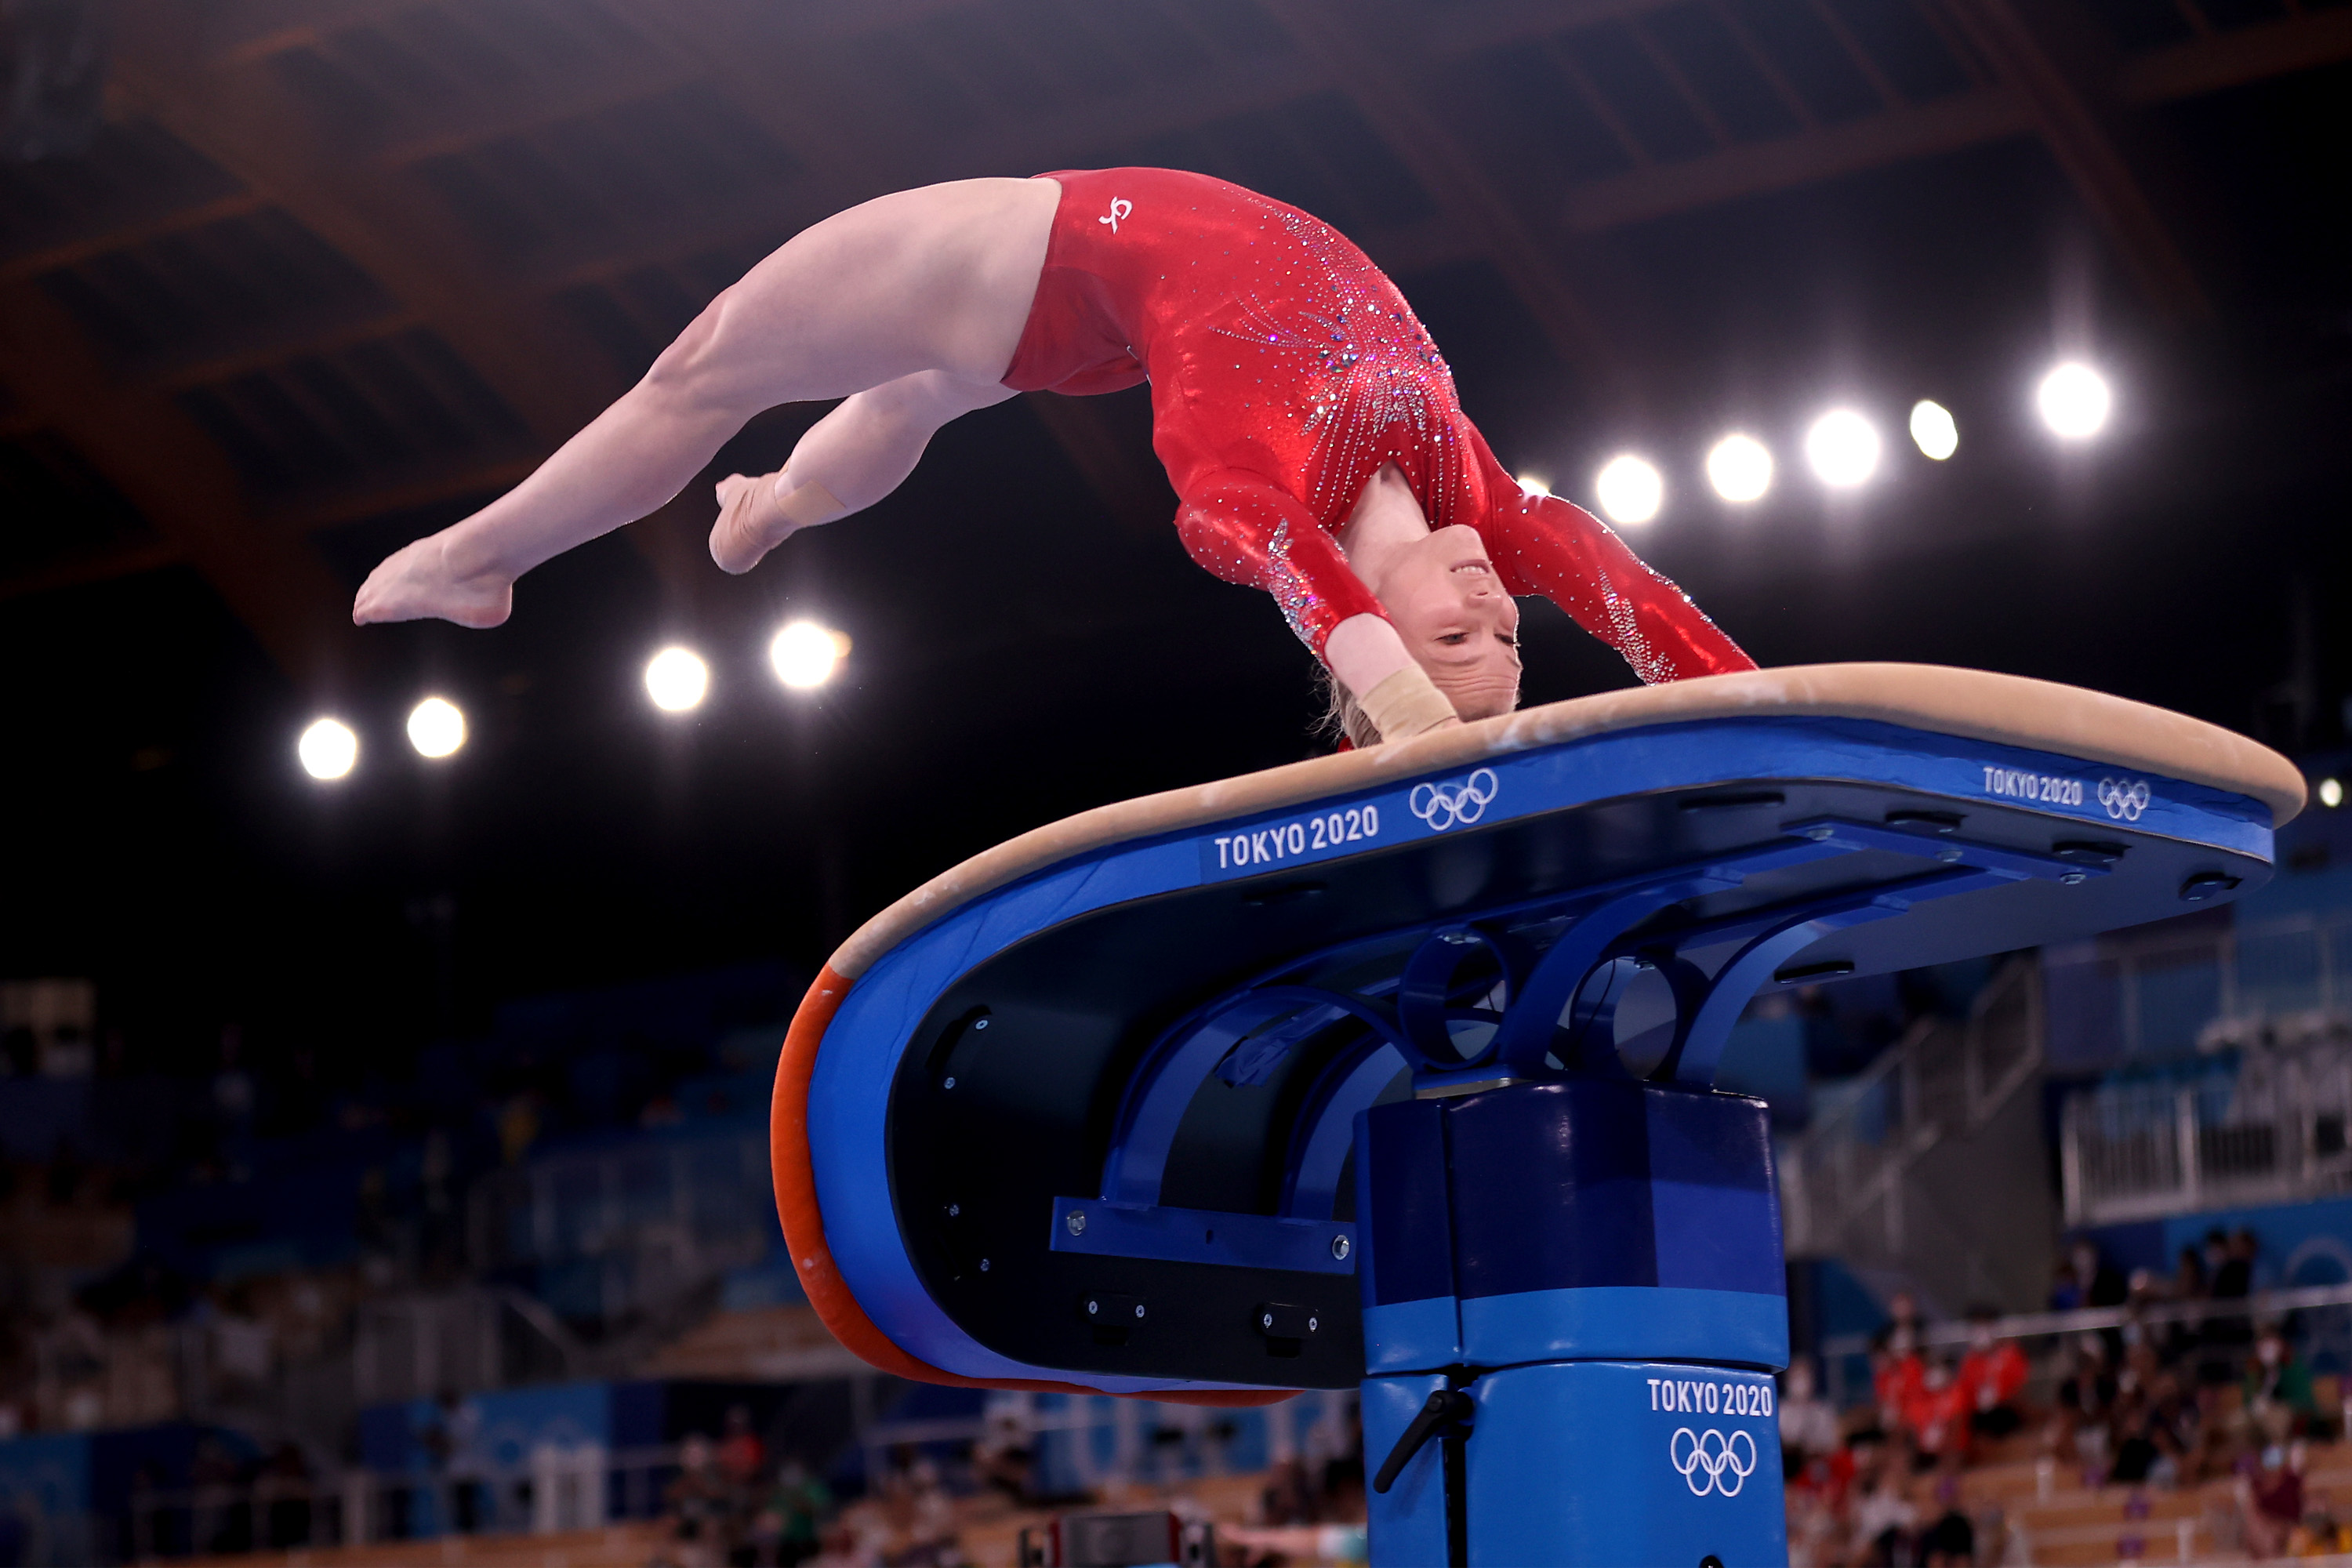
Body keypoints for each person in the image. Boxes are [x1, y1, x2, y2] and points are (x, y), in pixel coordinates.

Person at [351, 169, 1752, 747]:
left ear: (1374, 638)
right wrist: (1777, 712)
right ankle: (773, 508)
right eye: (1515, 635)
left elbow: (1266, 550)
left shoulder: (1256, 485)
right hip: (1106, 312)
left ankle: (481, 565)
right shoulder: (1487, 512)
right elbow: (1635, 602)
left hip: (1046, 255)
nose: (1502, 612)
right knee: (919, 394)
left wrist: (1420, 724)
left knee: (705, 365)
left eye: (1468, 641)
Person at [1956, 1307, 2028, 1440]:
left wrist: (1999, 1396)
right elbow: (1965, 1389)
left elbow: (2020, 1385)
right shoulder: (1969, 1360)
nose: (1980, 1333)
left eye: (1984, 1327)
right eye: (1976, 1328)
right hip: (1979, 1414)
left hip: (2006, 1411)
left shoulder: (2010, 1354)